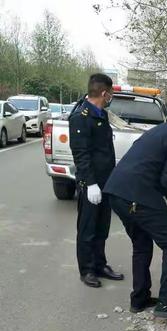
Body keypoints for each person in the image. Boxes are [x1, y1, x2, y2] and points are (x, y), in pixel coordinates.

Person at [104, 103, 167, 320]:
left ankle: (139, 298)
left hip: (117, 192)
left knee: (142, 243)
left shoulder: (157, 131)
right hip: (137, 195)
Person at [69, 73, 124, 288]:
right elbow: (81, 154)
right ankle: (87, 269)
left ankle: (100, 264)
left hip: (105, 181)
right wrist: (90, 183)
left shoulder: (100, 114)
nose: (110, 96)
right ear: (104, 93)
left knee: (102, 226)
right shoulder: (80, 117)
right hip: (91, 184)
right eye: (110, 93)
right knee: (88, 228)